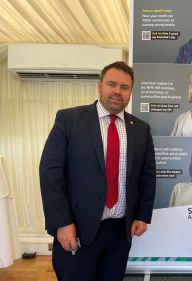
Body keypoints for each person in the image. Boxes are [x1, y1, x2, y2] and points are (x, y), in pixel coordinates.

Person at [39, 61, 156, 281]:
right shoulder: (69, 120)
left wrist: (142, 215)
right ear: (100, 86)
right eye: (112, 84)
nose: (117, 91)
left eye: (124, 87)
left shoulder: (140, 129)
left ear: (130, 92)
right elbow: (50, 174)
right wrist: (62, 222)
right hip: (78, 228)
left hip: (121, 230)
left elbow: (147, 176)